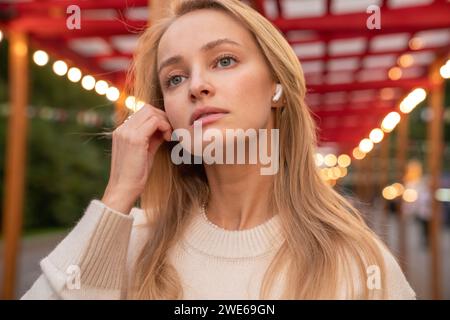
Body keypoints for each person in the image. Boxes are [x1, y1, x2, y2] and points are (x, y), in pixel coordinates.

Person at [22, 0, 416, 300]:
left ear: (277, 87)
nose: (196, 85)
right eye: (174, 78)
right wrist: (117, 198)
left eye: (223, 60)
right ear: (166, 115)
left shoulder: (359, 261)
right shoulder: (129, 241)